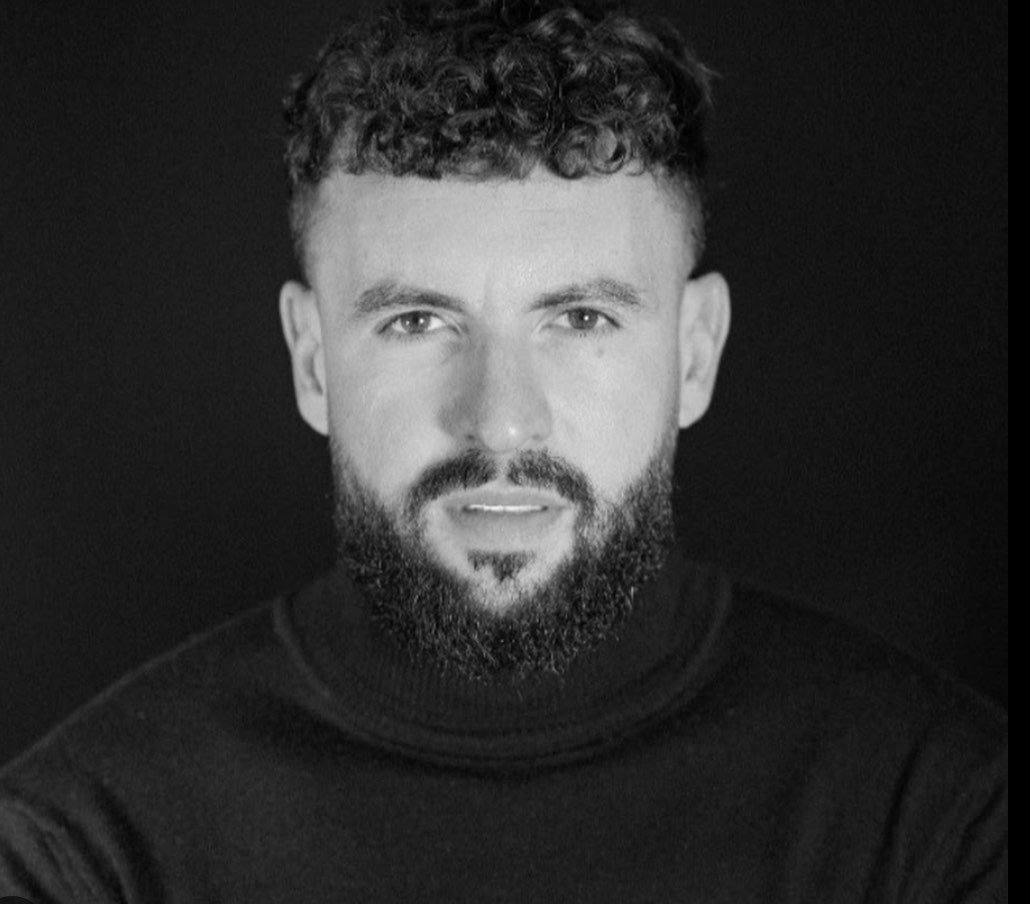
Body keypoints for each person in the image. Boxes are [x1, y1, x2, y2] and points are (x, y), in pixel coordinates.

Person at [0, 0, 1006, 900]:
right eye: (416, 323)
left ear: (694, 353)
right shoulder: (80, 852)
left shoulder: (939, 820)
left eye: (579, 318)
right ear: (311, 362)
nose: (500, 421)